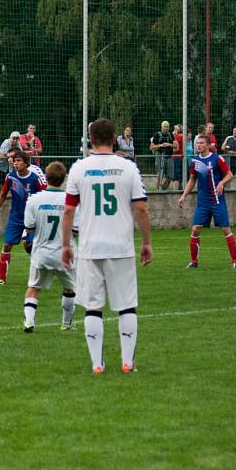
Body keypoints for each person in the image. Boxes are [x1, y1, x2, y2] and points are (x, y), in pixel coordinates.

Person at [62, 117, 152, 375]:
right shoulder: (128, 168)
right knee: (126, 305)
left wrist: (66, 245)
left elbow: (68, 211)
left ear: (91, 140)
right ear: (114, 139)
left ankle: (97, 364)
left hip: (90, 248)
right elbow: (142, 209)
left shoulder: (79, 168)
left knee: (93, 306)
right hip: (121, 247)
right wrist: (147, 243)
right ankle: (127, 362)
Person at [22, 161, 77, 332]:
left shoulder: (33, 200)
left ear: (45, 178)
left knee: (33, 287)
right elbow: (75, 230)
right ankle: (66, 324)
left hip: (41, 252)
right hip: (64, 253)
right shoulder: (70, 200)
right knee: (70, 289)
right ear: (64, 179)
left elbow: (29, 228)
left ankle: (29, 321)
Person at [178, 131, 236, 269]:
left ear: (207, 145)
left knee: (225, 229)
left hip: (217, 200)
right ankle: (194, 262)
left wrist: (222, 183)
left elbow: (229, 174)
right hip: (203, 203)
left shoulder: (217, 159)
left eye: (201, 143)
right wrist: (183, 196)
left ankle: (235, 261)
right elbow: (192, 179)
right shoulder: (195, 161)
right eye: (197, 143)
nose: (198, 145)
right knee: (195, 229)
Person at [0, 148, 47, 286]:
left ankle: (41, 270)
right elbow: (2, 195)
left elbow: (45, 197)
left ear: (26, 163)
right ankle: (2, 279)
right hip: (15, 218)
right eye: (14, 161)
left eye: (18, 161)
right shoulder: (10, 177)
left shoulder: (35, 179)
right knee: (7, 245)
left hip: (32, 218)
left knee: (29, 245)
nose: (15, 163)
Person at [150, 121, 176, 191]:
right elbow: (151, 147)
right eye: (165, 126)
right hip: (160, 156)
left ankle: (163, 189)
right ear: (162, 127)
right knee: (159, 175)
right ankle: (158, 192)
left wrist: (169, 144)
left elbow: (176, 146)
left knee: (170, 177)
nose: (166, 128)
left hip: (169, 157)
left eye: (167, 127)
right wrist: (161, 145)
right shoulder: (157, 135)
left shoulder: (171, 135)